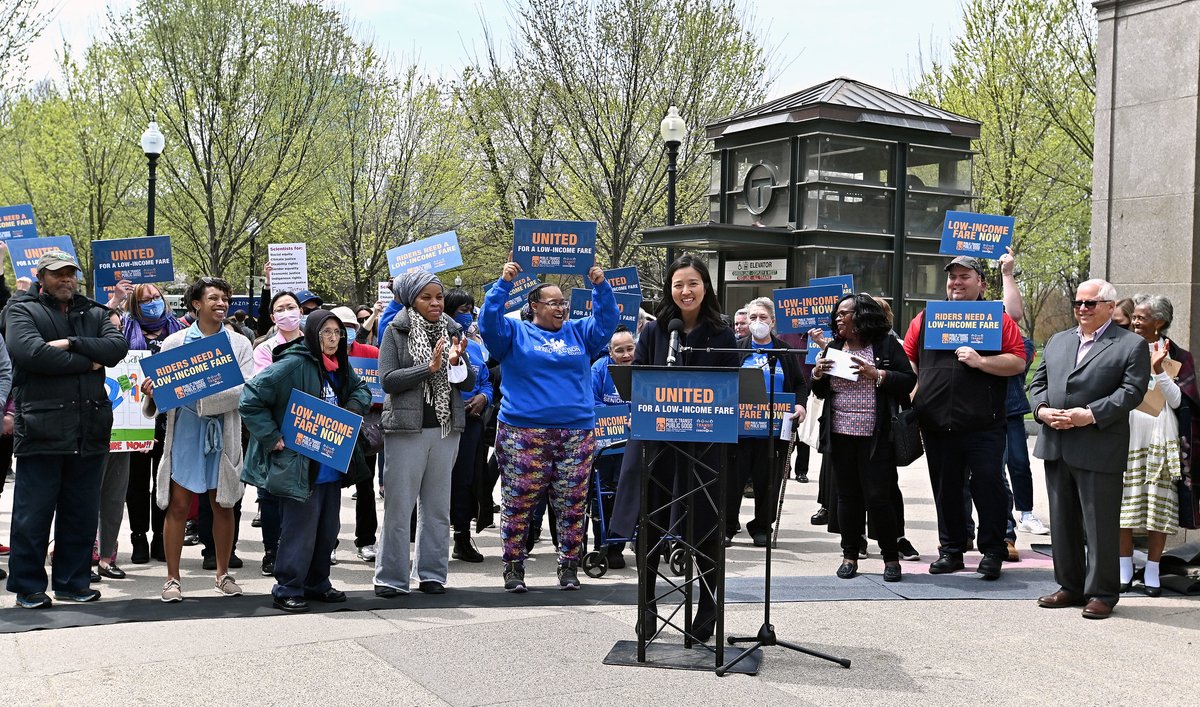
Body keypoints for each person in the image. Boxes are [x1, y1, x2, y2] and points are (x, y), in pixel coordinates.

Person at [611, 254, 739, 643]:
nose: (685, 291)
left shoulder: (721, 333)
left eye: (693, 284)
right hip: (658, 443)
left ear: (706, 288)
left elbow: (728, 388)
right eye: (678, 284)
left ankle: (707, 610)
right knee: (649, 524)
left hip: (703, 445)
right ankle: (646, 607)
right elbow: (641, 385)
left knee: (704, 527)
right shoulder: (655, 332)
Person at [479, 260, 617, 593]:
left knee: (572, 503)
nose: (561, 308)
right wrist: (502, 284)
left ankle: (569, 566)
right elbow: (488, 323)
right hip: (522, 433)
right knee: (518, 502)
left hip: (575, 433)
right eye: (554, 302)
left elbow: (608, 321)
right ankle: (513, 567)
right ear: (535, 306)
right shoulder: (514, 334)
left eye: (563, 302)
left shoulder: (579, 332)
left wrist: (601, 287)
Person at [4, 250, 127, 608]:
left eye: (70, 273)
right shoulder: (20, 309)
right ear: (41, 277)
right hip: (42, 429)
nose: (66, 280)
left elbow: (116, 348)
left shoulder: (94, 311)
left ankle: (72, 582)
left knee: (81, 511)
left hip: (90, 428)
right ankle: (28, 586)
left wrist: (72, 343)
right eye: (58, 274)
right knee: (33, 514)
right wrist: (89, 360)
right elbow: (31, 354)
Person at [1029, 279, 1148, 619]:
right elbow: (1038, 382)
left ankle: (1102, 593)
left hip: (1098, 445)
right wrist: (1041, 410)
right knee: (1063, 521)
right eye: (1079, 303)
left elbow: (1132, 391)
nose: (1082, 308)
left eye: (1091, 303)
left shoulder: (1130, 345)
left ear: (1110, 307)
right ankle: (1070, 586)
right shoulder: (1057, 341)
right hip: (1056, 442)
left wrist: (1091, 415)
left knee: (1099, 524)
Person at [902, 255, 1026, 580]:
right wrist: (916, 395)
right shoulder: (927, 317)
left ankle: (993, 550)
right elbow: (908, 361)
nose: (956, 282)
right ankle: (952, 551)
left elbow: (1018, 362)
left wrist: (981, 362)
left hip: (984, 424)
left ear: (981, 283)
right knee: (947, 490)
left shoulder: (997, 319)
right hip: (937, 424)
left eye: (964, 276)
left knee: (989, 486)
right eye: (952, 277)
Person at [240, 309, 371, 612]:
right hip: (300, 465)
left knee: (327, 531)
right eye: (326, 332)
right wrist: (271, 436)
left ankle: (317, 583)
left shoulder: (340, 366)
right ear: (312, 334)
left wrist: (351, 408)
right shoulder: (294, 364)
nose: (334, 339)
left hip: (331, 463)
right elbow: (250, 397)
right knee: (299, 531)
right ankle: (287, 587)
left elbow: (361, 389)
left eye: (338, 333)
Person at [141, 276, 255, 603]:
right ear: (196, 304)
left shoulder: (239, 344)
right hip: (185, 432)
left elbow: (246, 391)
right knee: (178, 505)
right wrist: (153, 393)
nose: (221, 305)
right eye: (214, 298)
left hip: (225, 433)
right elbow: (163, 394)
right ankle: (172, 580)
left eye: (225, 300)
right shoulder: (175, 343)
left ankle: (223, 574)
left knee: (223, 503)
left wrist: (205, 396)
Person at [374, 271, 475, 597]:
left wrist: (456, 364)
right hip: (406, 430)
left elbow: (469, 383)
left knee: (437, 508)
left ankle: (432, 574)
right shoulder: (395, 330)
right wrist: (428, 368)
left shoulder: (454, 330)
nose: (435, 303)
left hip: (446, 430)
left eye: (439, 297)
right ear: (410, 300)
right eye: (426, 297)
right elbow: (388, 380)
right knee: (399, 507)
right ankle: (391, 578)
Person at [811, 293, 916, 582]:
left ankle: (890, 557)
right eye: (837, 313)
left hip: (876, 436)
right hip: (840, 435)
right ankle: (849, 554)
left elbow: (908, 380)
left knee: (879, 498)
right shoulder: (834, 346)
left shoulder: (885, 346)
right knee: (846, 497)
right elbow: (819, 392)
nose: (838, 317)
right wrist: (817, 374)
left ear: (863, 316)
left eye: (845, 313)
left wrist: (877, 373)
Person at [96, 282, 187, 577]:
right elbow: (99, 327)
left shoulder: (180, 331)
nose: (152, 302)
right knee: (134, 484)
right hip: (133, 420)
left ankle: (161, 538)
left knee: (164, 482)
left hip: (169, 419)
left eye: (156, 298)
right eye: (145, 299)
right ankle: (138, 537)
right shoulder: (123, 331)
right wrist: (115, 300)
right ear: (135, 305)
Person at [1119, 294, 1188, 597]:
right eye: (1133, 317)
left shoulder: (1178, 355)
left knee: (1156, 509)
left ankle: (1152, 572)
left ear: (1159, 321)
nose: (1134, 322)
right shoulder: (1120, 348)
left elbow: (1178, 401)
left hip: (1160, 437)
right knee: (1125, 506)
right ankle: (1123, 570)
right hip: (1127, 434)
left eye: (1141, 317)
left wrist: (1159, 370)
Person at [731, 297, 806, 547]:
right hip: (740, 431)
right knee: (733, 481)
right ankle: (728, 525)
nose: (757, 322)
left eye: (763, 317)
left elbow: (798, 384)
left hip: (773, 432)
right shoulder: (737, 349)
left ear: (773, 321)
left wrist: (799, 404)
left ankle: (762, 526)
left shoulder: (784, 351)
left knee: (768, 481)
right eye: (753, 317)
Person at [250, 291, 306, 575]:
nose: (287, 313)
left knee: (303, 494)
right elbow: (263, 390)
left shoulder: (314, 344)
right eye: (281, 309)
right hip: (274, 430)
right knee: (269, 495)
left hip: (307, 429)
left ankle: (300, 549)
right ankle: (271, 551)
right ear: (273, 317)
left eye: (291, 307)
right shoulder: (264, 349)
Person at [330, 305, 383, 563]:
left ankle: (366, 541)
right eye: (342, 328)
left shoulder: (372, 353)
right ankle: (329, 542)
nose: (346, 333)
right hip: (333, 429)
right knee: (330, 488)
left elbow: (382, 391)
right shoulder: (326, 355)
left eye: (351, 327)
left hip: (364, 431)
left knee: (366, 485)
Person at [444, 288, 493, 563]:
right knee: (440, 481)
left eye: (470, 310)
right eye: (463, 310)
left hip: (471, 423)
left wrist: (483, 397)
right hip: (442, 422)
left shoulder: (474, 347)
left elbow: (486, 381)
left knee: (465, 481)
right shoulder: (436, 341)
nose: (468, 315)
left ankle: (462, 538)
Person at [590, 325, 636, 568]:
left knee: (625, 492)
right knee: (603, 495)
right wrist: (619, 414)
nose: (626, 354)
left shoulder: (642, 368)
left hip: (634, 442)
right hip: (607, 443)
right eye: (620, 350)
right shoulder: (599, 369)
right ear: (610, 352)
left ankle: (619, 543)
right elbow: (592, 400)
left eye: (630, 349)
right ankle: (602, 544)